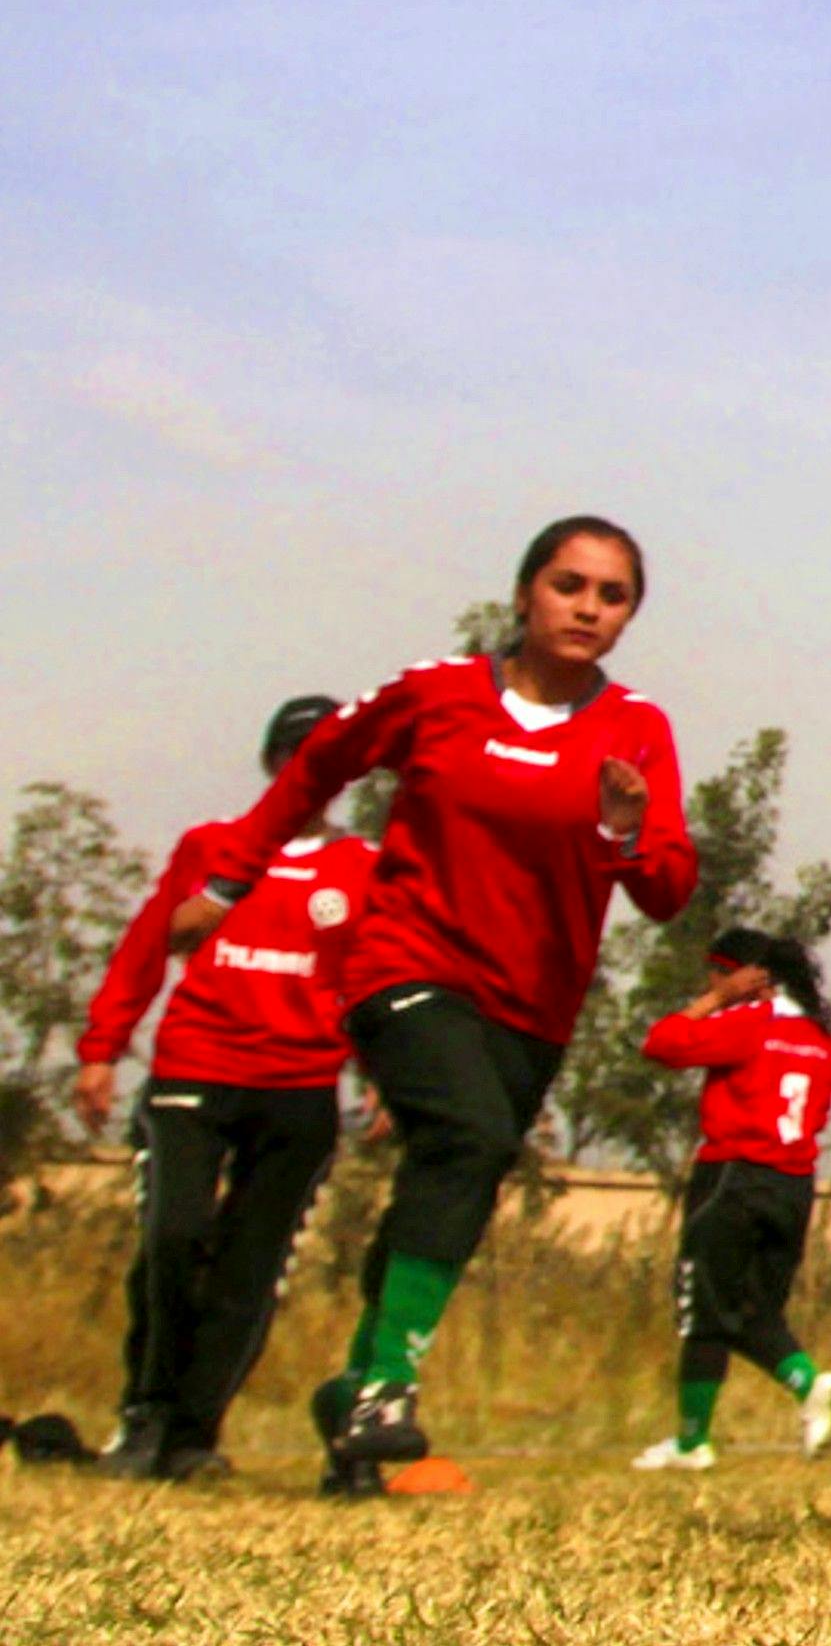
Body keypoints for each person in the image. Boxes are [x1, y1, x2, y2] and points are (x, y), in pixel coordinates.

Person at [171, 514, 700, 1494]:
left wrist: (625, 833)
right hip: (405, 964)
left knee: (460, 1164)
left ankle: (353, 1404)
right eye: (569, 584)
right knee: (467, 1136)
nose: (587, 607)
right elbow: (316, 769)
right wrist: (233, 878)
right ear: (525, 592)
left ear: (629, 617)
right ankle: (387, 1390)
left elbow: (669, 891)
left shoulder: (636, 730)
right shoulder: (435, 695)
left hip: (533, 1004)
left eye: (611, 595)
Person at [72, 694, 377, 1481]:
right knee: (173, 1239)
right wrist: (102, 1048)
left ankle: (192, 1436)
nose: (313, 774)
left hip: (300, 1086)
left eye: (329, 759)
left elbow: (376, 974)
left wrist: (380, 1073)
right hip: (195, 1072)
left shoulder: (360, 867)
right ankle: (144, 1414)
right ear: (275, 762)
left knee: (252, 1266)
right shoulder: (210, 847)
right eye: (299, 755)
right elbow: (147, 943)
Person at [629, 929, 831, 1470]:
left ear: (745, 975)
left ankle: (691, 1442)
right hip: (793, 1185)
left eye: (715, 973)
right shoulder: (821, 1037)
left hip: (733, 1177)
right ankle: (809, 1384)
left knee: (705, 1310)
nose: (709, 982)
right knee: (753, 1311)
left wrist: (715, 1002)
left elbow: (660, 1043)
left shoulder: (750, 1023)